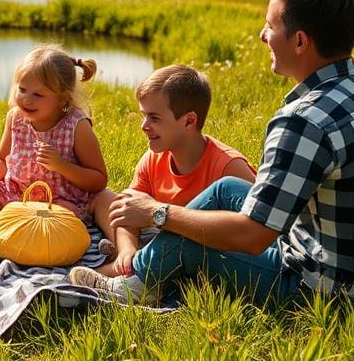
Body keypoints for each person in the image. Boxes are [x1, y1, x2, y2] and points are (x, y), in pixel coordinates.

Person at [69, 0, 354, 306]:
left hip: (321, 290)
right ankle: (141, 275)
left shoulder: (303, 121)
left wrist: (158, 213)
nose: (263, 35)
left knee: (192, 235)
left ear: (300, 41)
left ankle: (130, 288)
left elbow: (253, 237)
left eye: (270, 26)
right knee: (225, 190)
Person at [87, 65, 256, 277]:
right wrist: (127, 249)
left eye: (154, 118)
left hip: (206, 250)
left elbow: (255, 233)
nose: (144, 125)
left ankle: (105, 276)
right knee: (105, 197)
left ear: (189, 121)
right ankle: (126, 263)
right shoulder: (153, 159)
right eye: (144, 115)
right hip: (160, 235)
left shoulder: (229, 167)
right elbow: (127, 210)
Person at [0, 44, 109, 219]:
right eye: (22, 90)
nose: (26, 100)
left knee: (46, 223)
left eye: (37, 95)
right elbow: (0, 158)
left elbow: (99, 180)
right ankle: (12, 212)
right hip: (14, 197)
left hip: (58, 205)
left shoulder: (77, 126)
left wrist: (61, 165)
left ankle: (21, 219)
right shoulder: (16, 118)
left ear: (63, 99)